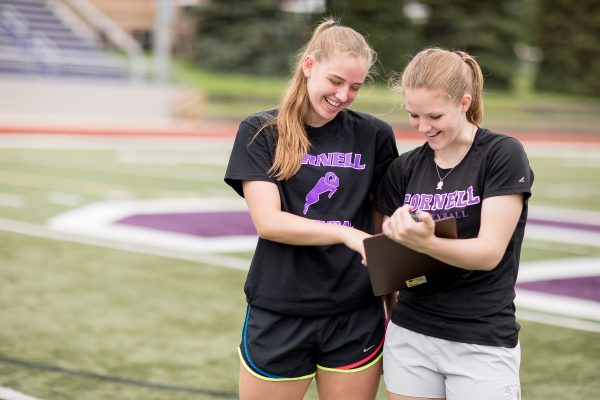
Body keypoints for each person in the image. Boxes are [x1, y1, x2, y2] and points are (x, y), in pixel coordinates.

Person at [224, 19, 399, 400]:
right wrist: (344, 232)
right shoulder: (261, 131)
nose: (344, 95)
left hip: (355, 312)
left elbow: (381, 225)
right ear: (308, 65)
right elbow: (268, 223)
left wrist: (395, 306)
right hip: (280, 308)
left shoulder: (375, 135)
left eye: (355, 86)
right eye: (335, 81)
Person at [373, 47, 534, 400]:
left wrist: (423, 240)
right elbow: (387, 266)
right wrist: (390, 240)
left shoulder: (501, 154)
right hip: (410, 336)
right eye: (414, 115)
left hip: (481, 339)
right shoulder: (405, 168)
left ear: (464, 102)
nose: (423, 127)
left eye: (434, 115)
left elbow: (489, 253)